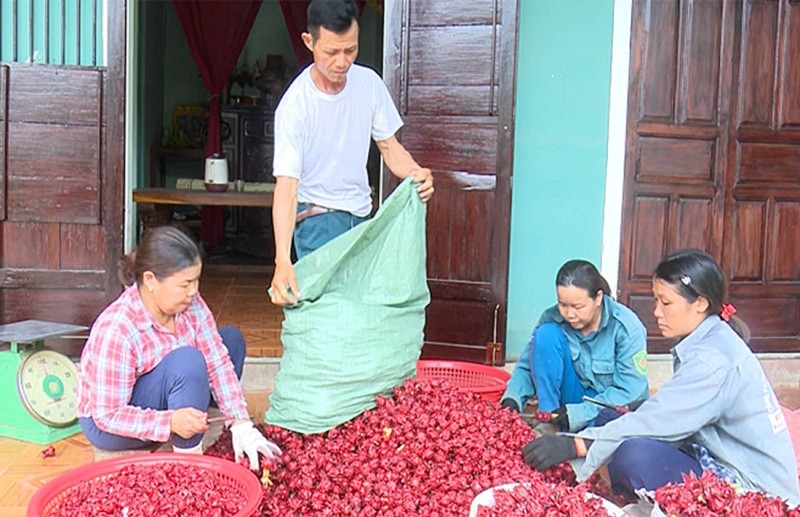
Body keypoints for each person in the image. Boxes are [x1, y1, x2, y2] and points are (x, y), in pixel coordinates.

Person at [522, 249, 800, 506]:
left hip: (753, 489)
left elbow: (654, 418)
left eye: (665, 302)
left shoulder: (711, 361)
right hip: (718, 454)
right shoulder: (709, 338)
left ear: (700, 303)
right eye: (656, 300)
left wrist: (576, 444)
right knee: (614, 420)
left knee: (633, 456)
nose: (656, 311)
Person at [269, 0, 434, 306]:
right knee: (327, 313)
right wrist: (282, 260)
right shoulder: (295, 106)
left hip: (361, 219)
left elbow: (390, 147)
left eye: (350, 50)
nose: (342, 62)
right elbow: (287, 187)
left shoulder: (368, 83)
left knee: (361, 309)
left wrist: (417, 174)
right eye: (332, 52)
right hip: (318, 222)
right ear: (309, 42)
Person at [76, 226, 280, 470]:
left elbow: (217, 361)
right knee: (187, 361)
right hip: (110, 424)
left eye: (196, 281)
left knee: (231, 341)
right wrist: (169, 422)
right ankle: (189, 461)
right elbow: (107, 415)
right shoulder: (117, 329)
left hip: (165, 396)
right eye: (185, 284)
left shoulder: (191, 304)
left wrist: (241, 421)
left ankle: (197, 420)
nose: (193, 291)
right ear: (150, 280)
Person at [501, 259, 649, 432]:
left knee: (605, 431)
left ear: (598, 298)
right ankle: (549, 420)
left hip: (608, 407)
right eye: (563, 305)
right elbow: (528, 366)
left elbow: (630, 391)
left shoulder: (627, 328)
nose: (569, 314)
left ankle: (571, 431)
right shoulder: (552, 317)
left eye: (578, 307)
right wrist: (512, 398)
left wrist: (577, 414)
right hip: (567, 405)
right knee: (545, 335)